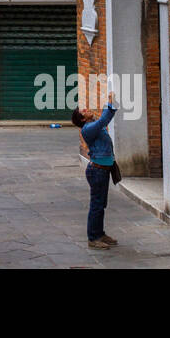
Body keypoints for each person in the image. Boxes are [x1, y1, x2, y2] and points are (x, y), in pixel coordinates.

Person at [72, 91, 119, 250]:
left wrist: (112, 106)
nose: (86, 109)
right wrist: (109, 103)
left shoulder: (93, 125)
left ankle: (100, 233)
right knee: (97, 204)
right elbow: (104, 119)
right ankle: (93, 237)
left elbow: (107, 118)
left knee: (101, 203)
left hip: (103, 170)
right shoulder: (88, 129)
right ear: (83, 119)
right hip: (97, 171)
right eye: (83, 111)